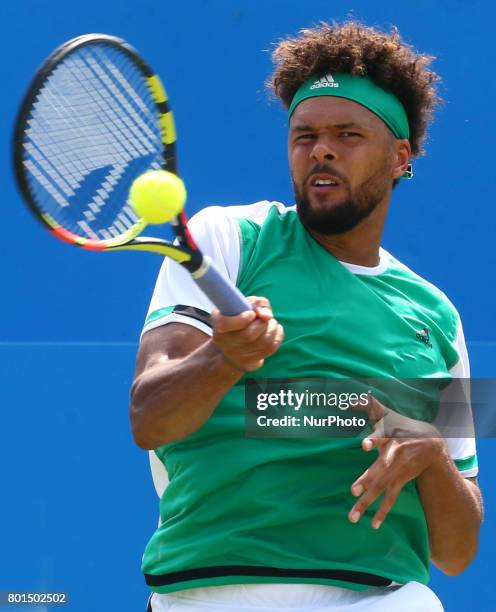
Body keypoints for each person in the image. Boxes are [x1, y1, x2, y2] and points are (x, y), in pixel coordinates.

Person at [130, 21, 483, 612]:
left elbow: (457, 551)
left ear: (400, 156)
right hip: (209, 594)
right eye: (305, 136)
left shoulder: (437, 316)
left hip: (378, 598)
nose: (321, 149)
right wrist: (225, 358)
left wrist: (431, 454)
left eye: (347, 134)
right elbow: (149, 417)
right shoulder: (229, 239)